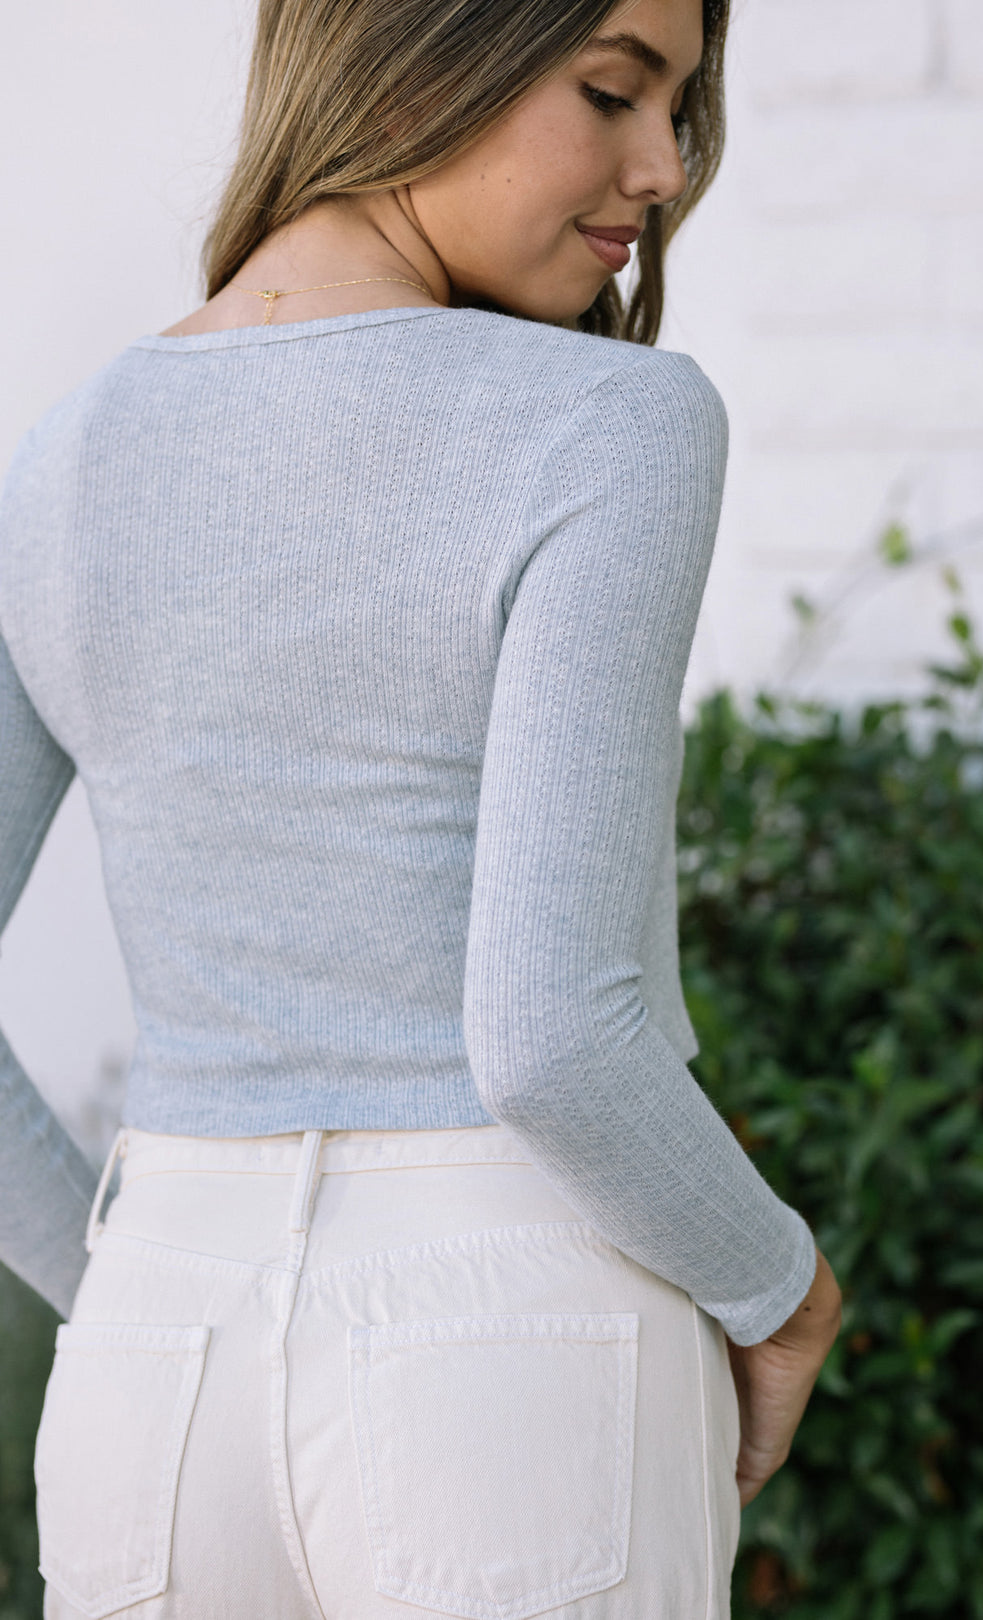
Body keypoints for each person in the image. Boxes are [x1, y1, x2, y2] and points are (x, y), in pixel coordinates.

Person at [0, 0, 842, 1612]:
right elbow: (551, 1037)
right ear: (417, 46)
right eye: (612, 89)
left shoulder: (64, 457)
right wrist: (782, 1293)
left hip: (148, 1362)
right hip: (518, 1342)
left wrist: (127, 1286)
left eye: (678, 105)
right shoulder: (609, 421)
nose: (661, 165)